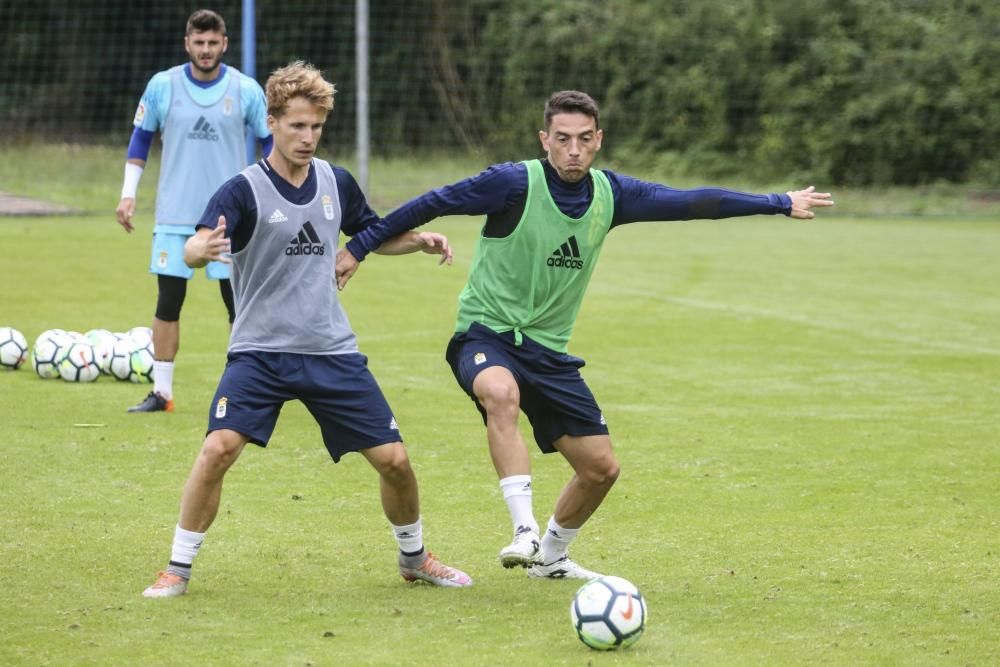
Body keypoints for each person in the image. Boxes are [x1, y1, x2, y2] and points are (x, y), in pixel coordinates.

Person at [335, 90, 835, 580]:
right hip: (486, 334)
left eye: (583, 139)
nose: (572, 149)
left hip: (548, 352)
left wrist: (777, 201)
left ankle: (550, 556)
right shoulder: (512, 183)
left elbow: (693, 202)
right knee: (499, 392)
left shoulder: (611, 194)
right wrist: (359, 246)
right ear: (544, 140)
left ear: (598, 140)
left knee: (601, 469)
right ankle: (524, 529)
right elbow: (432, 202)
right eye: (562, 138)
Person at [141, 61, 471, 598]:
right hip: (259, 352)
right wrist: (198, 250)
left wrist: (418, 241)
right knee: (217, 449)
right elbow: (196, 245)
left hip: (329, 350)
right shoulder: (242, 190)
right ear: (272, 122)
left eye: (316, 126)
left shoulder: (334, 182)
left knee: (396, 461)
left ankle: (414, 558)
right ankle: (176, 569)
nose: (308, 137)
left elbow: (372, 232)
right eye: (297, 125)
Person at [116, 9, 272, 414]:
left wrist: (272, 194)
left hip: (229, 219)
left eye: (212, 43)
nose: (206, 50)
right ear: (188, 44)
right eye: (198, 43)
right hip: (175, 216)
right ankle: (162, 394)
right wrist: (128, 194)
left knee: (238, 306)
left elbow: (269, 143)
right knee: (168, 302)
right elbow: (140, 140)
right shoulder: (162, 86)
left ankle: (245, 392)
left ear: (224, 44)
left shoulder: (246, 90)